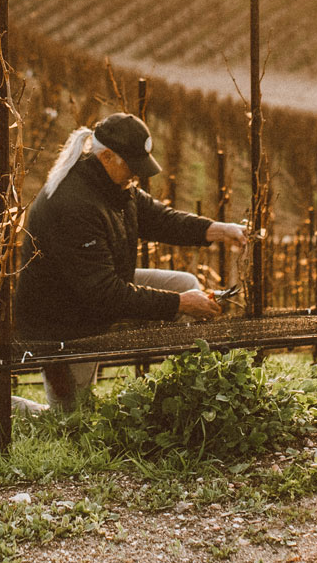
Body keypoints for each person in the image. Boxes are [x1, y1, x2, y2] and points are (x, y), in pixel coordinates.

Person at [14, 112, 248, 410]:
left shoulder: (113, 187)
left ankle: (191, 397)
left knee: (186, 284)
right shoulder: (73, 205)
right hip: (63, 321)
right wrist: (181, 303)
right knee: (69, 420)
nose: (136, 174)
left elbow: (160, 219)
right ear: (107, 156)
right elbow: (105, 294)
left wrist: (218, 230)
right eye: (131, 165)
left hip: (96, 292)